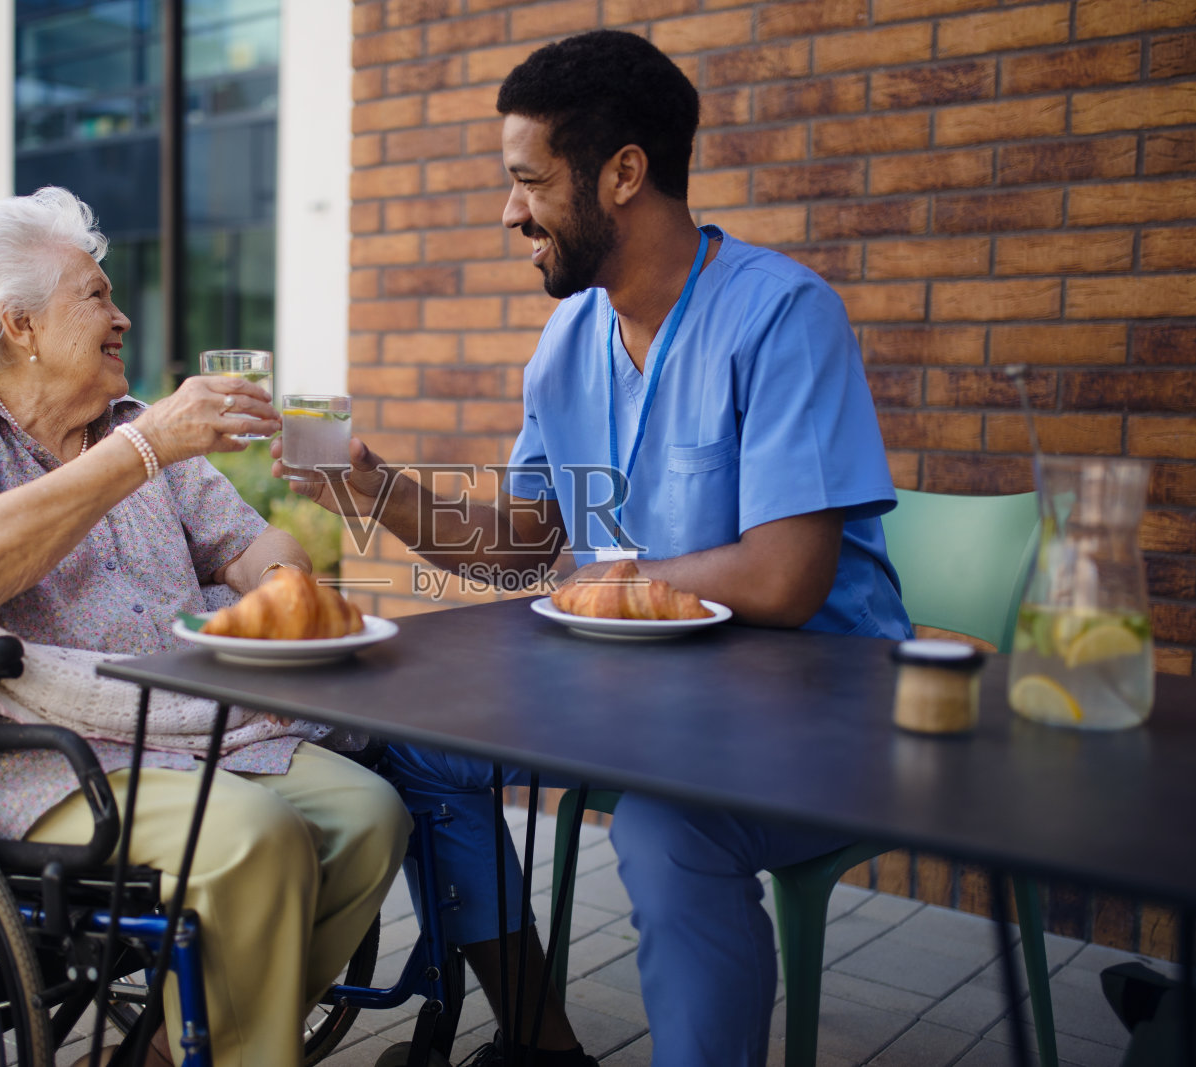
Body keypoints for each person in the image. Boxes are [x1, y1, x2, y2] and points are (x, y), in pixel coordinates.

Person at [280, 30, 912, 1067]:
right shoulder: (570, 339)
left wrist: (607, 583)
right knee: (420, 750)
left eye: (527, 180)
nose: (508, 210)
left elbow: (785, 578)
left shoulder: (782, 314)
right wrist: (372, 484)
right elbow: (521, 542)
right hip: (653, 699)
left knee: (665, 831)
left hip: (818, 712)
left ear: (623, 174)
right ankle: (540, 1040)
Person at [0, 186, 411, 1067]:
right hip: (44, 756)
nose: (121, 315)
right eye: (96, 295)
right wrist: (147, 448)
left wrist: (281, 585)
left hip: (191, 731)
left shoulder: (128, 427)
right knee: (256, 841)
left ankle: (161, 1050)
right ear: (21, 326)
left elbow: (254, 542)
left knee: (371, 813)